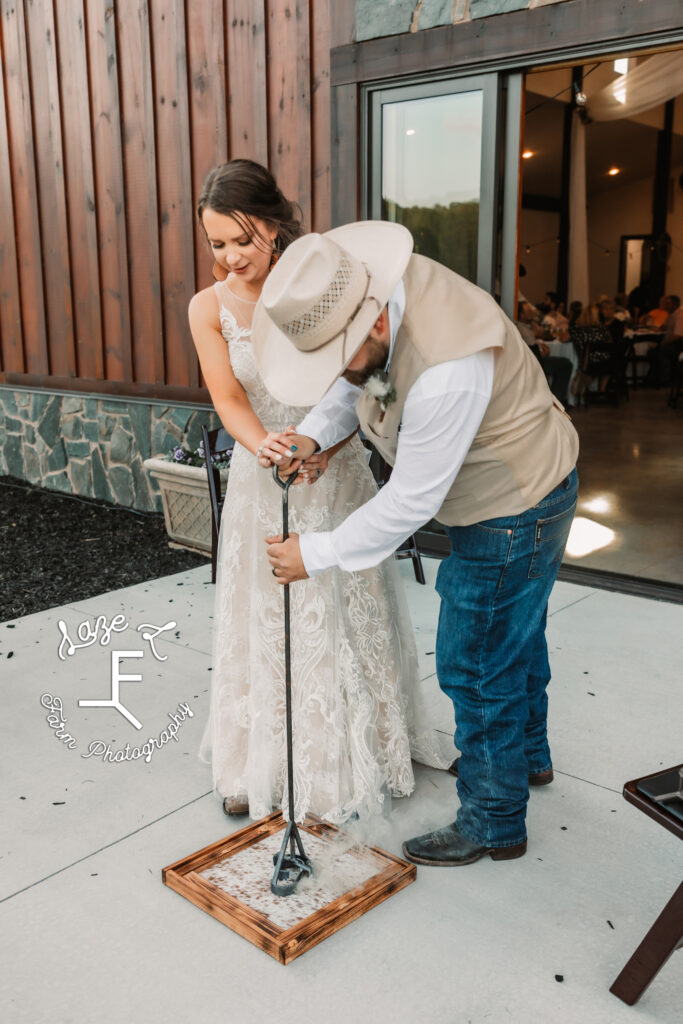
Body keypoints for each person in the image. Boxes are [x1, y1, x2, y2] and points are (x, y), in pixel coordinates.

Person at [254, 223, 579, 866]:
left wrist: (313, 554)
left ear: (371, 326)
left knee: (476, 659)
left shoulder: (447, 366)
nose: (331, 375)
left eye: (334, 357)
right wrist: (311, 437)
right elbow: (360, 384)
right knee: (516, 634)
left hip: (515, 502)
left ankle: (493, 820)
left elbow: (411, 501)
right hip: (522, 486)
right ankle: (524, 759)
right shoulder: (370, 308)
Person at [188, 162, 443, 826]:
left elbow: (363, 380)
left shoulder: (320, 282)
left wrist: (324, 448)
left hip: (333, 466)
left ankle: (346, 762)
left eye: (241, 239)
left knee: (341, 609)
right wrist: (261, 445)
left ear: (272, 225)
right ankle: (255, 763)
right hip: (261, 470)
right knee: (266, 618)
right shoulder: (206, 308)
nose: (231, 257)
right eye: (217, 244)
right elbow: (227, 396)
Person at [516, 300, 572, 404]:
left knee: (563, 363)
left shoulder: (526, 326)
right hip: (535, 361)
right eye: (528, 311)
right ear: (522, 314)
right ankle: (556, 400)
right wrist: (544, 352)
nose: (532, 313)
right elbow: (531, 353)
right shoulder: (522, 328)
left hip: (536, 358)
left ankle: (555, 397)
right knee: (565, 364)